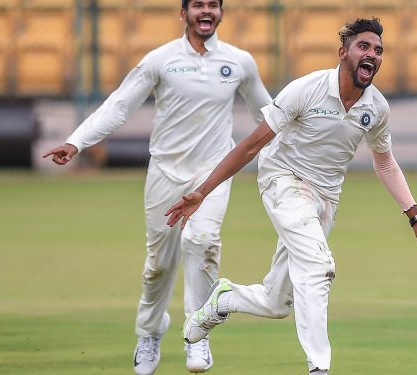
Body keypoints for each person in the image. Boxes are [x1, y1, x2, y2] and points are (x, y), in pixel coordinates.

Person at [165, 17, 417, 375]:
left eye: (379, 51)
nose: (372, 55)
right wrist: (202, 192)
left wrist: (415, 216)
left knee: (277, 301)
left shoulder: (376, 108)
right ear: (343, 52)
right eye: (364, 47)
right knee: (318, 267)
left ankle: (224, 299)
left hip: (325, 199)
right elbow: (253, 145)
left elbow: (386, 164)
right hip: (283, 181)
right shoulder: (307, 89)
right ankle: (319, 369)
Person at [42, 0, 272, 374]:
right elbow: (119, 105)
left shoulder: (240, 62)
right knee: (158, 267)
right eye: (198, 5)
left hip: (213, 173)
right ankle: (149, 333)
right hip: (165, 173)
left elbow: (268, 114)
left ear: (222, 13)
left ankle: (199, 334)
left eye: (213, 5)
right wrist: (77, 141)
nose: (206, 11)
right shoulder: (159, 60)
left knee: (203, 243)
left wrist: (303, 149)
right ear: (184, 13)